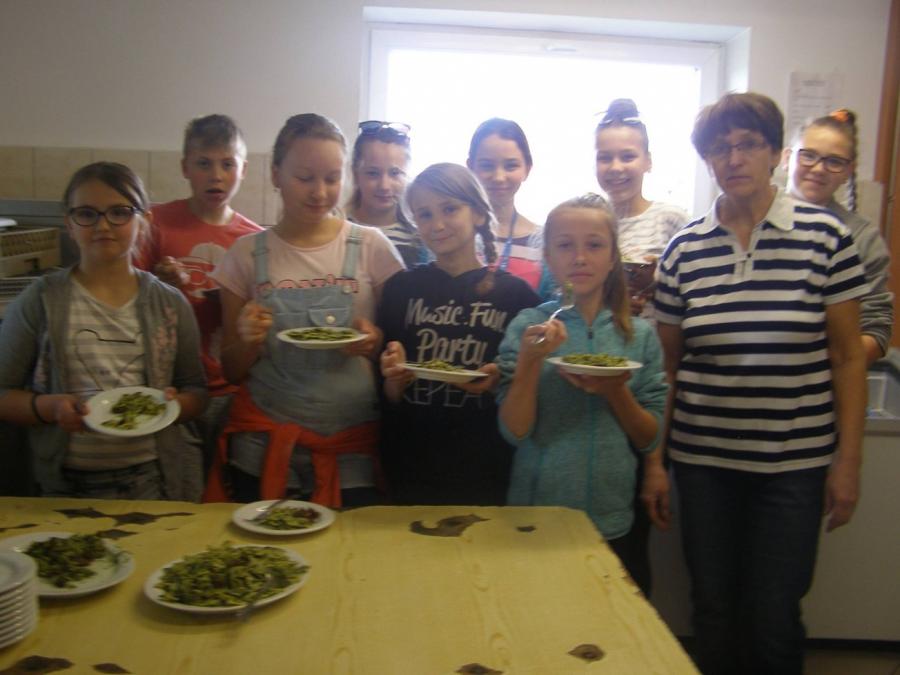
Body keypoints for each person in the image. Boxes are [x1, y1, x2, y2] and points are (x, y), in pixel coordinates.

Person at [652, 92, 868, 674]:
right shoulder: (683, 250)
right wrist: (657, 463)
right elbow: (668, 369)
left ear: (775, 153)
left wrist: (848, 463)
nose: (733, 158)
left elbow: (848, 357)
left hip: (792, 466)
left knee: (775, 615)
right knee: (713, 609)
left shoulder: (826, 238)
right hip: (704, 464)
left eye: (747, 144)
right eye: (718, 149)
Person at [205, 113, 404, 508]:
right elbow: (232, 370)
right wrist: (247, 340)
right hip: (263, 444)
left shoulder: (373, 247)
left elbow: (400, 351)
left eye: (332, 178)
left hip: (351, 448)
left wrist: (377, 341)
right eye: (305, 177)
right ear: (276, 174)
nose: (320, 192)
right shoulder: (245, 255)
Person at [0, 162, 208, 500]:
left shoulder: (170, 304)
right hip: (60, 484)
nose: (103, 225)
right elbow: (3, 393)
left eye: (119, 212)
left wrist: (172, 406)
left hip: (151, 480)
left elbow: (196, 391)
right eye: (87, 213)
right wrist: (50, 408)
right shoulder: (40, 300)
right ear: (69, 223)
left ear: (144, 221)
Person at [496, 193, 667, 593]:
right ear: (548, 258)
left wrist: (616, 392)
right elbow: (514, 432)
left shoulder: (639, 335)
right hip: (537, 515)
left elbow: (649, 436)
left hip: (613, 519)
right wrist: (530, 362)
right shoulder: (528, 327)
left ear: (612, 258)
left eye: (594, 245)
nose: (579, 257)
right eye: (564, 245)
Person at [378, 163, 540, 505]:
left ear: (478, 213)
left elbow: (527, 391)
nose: (437, 224)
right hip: (410, 460)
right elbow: (387, 395)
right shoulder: (400, 290)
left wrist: (498, 381)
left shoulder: (517, 297)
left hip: (486, 462)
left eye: (450, 209)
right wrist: (394, 380)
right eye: (424, 214)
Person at [136, 114, 262, 470]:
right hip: (168, 388)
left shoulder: (254, 241)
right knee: (178, 483)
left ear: (243, 169)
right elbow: (126, 299)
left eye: (227, 164)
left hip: (231, 387)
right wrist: (160, 285)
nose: (216, 175)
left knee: (223, 485)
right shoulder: (154, 223)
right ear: (185, 168)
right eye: (204, 164)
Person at [784, 108, 893, 366]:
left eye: (834, 162)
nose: (819, 169)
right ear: (787, 157)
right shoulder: (753, 220)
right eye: (808, 155)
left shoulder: (862, 238)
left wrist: (816, 368)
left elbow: (876, 330)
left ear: (847, 171)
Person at [594, 98, 689, 315]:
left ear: (648, 161)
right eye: (605, 158)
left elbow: (695, 291)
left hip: (658, 334)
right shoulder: (587, 224)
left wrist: (654, 286)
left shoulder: (672, 220)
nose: (616, 167)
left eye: (628, 157)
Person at [467, 118, 546, 291]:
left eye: (510, 166)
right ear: (470, 167)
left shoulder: (544, 242)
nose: (498, 177)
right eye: (487, 166)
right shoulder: (450, 234)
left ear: (527, 168)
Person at [346, 120, 428, 268]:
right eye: (373, 173)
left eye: (395, 173)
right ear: (356, 174)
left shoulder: (421, 241)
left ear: (407, 176)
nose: (384, 186)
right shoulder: (335, 232)